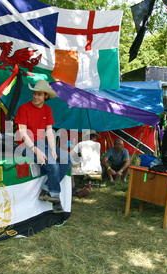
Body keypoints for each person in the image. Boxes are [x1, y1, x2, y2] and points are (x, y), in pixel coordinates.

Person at [14, 80, 72, 213]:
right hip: (25, 145)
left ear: (46, 96)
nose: (35, 96)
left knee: (67, 160)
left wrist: (52, 149)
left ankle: (46, 189)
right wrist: (35, 151)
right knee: (53, 165)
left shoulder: (47, 109)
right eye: (34, 93)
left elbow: (49, 132)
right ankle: (55, 197)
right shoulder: (24, 108)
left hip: (42, 143)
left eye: (39, 94)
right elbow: (22, 132)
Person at [70, 130, 102, 197]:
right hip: (97, 170)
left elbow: (70, 154)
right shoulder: (98, 145)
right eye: (95, 137)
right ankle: (89, 185)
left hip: (84, 170)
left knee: (71, 165)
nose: (96, 139)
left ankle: (73, 185)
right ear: (93, 137)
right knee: (89, 165)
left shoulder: (81, 144)